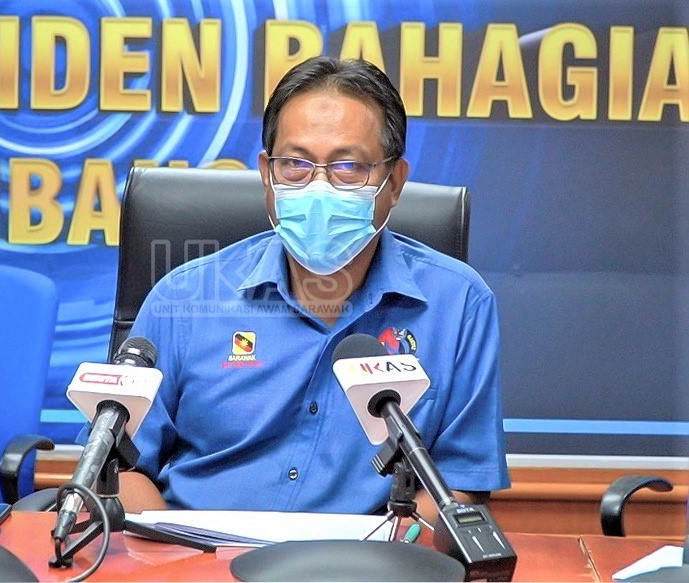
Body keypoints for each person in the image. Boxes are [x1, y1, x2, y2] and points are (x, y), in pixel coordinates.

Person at [112, 56, 509, 524]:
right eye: (295, 164)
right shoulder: (183, 298)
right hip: (196, 552)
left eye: (348, 166)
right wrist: (177, 556)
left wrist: (375, 556)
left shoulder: (459, 304)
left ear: (395, 182)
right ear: (267, 173)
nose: (319, 187)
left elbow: (460, 483)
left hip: (368, 558)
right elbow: (117, 467)